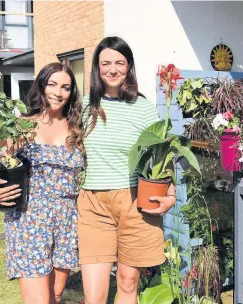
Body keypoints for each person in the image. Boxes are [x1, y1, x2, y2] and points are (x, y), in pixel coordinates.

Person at [78, 36, 177, 304]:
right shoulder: (85, 106)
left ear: (129, 66)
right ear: (97, 68)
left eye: (119, 63)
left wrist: (171, 193)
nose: (112, 69)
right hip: (93, 204)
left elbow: (162, 152)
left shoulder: (143, 107)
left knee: (127, 282)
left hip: (136, 200)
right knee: (95, 294)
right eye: (105, 63)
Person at [0, 62, 84, 303]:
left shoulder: (77, 129)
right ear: (41, 86)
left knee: (54, 296)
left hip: (66, 220)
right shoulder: (21, 126)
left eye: (65, 87)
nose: (58, 92)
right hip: (29, 219)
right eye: (52, 84)